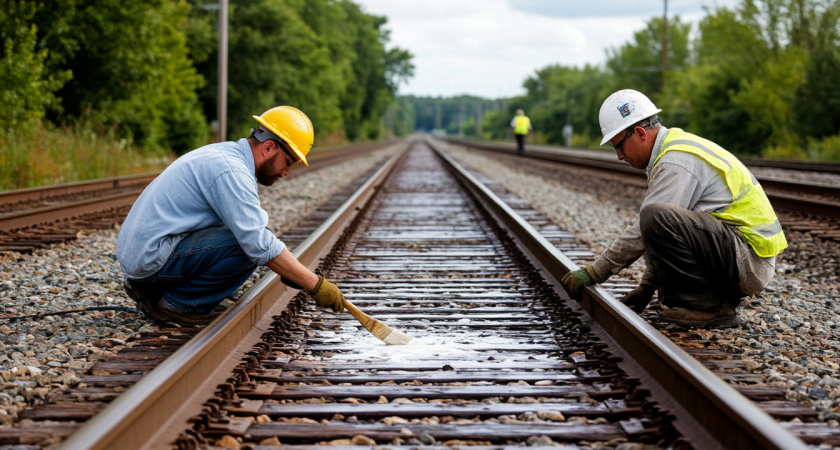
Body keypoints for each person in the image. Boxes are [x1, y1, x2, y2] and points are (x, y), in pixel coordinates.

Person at [560, 89, 787, 329]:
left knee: (654, 215)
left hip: (747, 260)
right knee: (656, 215)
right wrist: (647, 288)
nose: (619, 156)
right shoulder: (672, 149)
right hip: (740, 252)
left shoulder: (676, 161)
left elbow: (648, 225)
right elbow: (660, 233)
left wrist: (595, 273)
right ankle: (708, 301)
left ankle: (709, 307)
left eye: (619, 147)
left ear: (639, 133)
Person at [116, 106, 345, 325]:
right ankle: (179, 305)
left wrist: (291, 270)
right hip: (150, 262)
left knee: (248, 238)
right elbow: (257, 244)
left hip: (145, 255)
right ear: (268, 148)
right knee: (246, 247)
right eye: (288, 162)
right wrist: (316, 285)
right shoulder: (231, 171)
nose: (286, 172)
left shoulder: (225, 154)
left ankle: (161, 292)